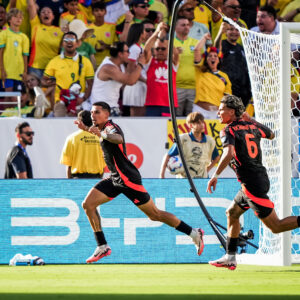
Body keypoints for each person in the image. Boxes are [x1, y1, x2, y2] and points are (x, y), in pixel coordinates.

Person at [75, 101, 204, 263]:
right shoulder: (101, 129)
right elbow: (103, 135)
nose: (93, 115)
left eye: (97, 112)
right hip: (116, 179)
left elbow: (118, 138)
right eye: (92, 112)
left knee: (155, 215)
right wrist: (88, 129)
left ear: (107, 114)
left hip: (128, 179)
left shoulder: (110, 127)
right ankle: (102, 246)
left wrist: (100, 134)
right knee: (88, 204)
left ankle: (194, 233)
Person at [206, 95, 300, 270]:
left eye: (221, 109)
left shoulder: (228, 130)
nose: (218, 112)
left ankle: (230, 256)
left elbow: (229, 154)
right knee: (232, 213)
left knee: (276, 226)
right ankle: (230, 256)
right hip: (256, 178)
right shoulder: (252, 126)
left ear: (231, 112)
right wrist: (252, 121)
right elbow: (271, 135)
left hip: (251, 183)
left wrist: (215, 174)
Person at [42, 31, 94, 117]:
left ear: (77, 44)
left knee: (79, 127)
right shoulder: (54, 61)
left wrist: (83, 98)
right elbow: (43, 79)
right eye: (66, 39)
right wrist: (49, 83)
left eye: (72, 39)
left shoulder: (86, 61)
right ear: (62, 44)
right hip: (60, 101)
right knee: (59, 125)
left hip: (78, 103)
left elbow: (90, 84)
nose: (69, 42)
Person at [90, 41, 145, 116]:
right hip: (102, 110)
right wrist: (140, 64)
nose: (129, 53)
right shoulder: (108, 68)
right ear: (120, 54)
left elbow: (132, 79)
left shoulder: (120, 66)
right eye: (127, 51)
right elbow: (130, 81)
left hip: (111, 108)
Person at [160, 112, 220, 178]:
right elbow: (168, 155)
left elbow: (217, 157)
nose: (202, 125)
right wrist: (162, 175)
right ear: (191, 125)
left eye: (202, 122)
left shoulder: (209, 141)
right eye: (198, 123)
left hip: (203, 179)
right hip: (184, 179)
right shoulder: (182, 139)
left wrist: (207, 169)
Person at [144, 22, 179, 116]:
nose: (160, 51)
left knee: (168, 130)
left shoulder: (172, 63)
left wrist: (167, 36)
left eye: (163, 49)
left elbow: (176, 54)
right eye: (157, 48)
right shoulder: (149, 62)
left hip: (170, 104)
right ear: (154, 50)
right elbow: (146, 50)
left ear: (167, 49)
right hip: (152, 103)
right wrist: (157, 32)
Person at [193, 33, 232, 119]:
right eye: (209, 56)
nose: (212, 58)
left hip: (217, 114)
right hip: (200, 111)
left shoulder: (224, 76)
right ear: (206, 60)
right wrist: (204, 38)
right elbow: (196, 50)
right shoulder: (200, 71)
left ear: (218, 60)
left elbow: (227, 97)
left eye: (215, 56)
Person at [214, 23, 252, 107]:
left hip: (242, 91)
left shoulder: (241, 48)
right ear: (226, 32)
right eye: (231, 29)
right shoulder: (223, 45)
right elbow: (215, 50)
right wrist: (220, 32)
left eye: (237, 30)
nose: (234, 32)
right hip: (228, 89)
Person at [60, 110, 106, 179]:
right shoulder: (100, 138)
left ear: (79, 122)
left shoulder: (72, 138)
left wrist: (69, 182)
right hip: (96, 178)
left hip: (77, 179)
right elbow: (103, 163)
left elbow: (68, 164)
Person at [27, 0, 64, 79]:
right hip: (35, 67)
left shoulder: (60, 31)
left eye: (48, 12)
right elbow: (31, 5)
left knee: (50, 91)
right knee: (35, 91)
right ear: (39, 16)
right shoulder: (36, 26)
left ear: (53, 16)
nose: (46, 13)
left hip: (52, 68)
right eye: (43, 12)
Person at [0, 8, 29, 107]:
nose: (19, 19)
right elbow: (1, 52)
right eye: (16, 17)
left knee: (18, 97)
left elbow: (25, 56)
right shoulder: (4, 34)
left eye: (21, 17)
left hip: (19, 72)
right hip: (7, 71)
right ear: (9, 19)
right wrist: (2, 70)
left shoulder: (24, 37)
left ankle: (14, 115)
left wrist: (25, 71)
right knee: (8, 95)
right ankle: (5, 116)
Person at [174, 16, 198, 117]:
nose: (186, 27)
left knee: (192, 119)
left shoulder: (196, 43)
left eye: (188, 25)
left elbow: (200, 62)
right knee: (177, 117)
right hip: (176, 86)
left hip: (194, 86)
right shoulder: (170, 43)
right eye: (183, 25)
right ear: (175, 28)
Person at [122, 23, 147, 116]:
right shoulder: (134, 49)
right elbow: (130, 69)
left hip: (139, 84)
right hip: (136, 86)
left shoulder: (138, 47)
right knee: (137, 117)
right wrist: (145, 80)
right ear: (140, 33)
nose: (146, 33)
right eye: (145, 31)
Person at [85, 1, 118, 68]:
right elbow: (84, 48)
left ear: (105, 12)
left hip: (108, 64)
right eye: (96, 10)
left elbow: (117, 46)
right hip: (91, 65)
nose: (99, 12)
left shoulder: (112, 27)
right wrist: (94, 50)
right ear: (92, 13)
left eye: (101, 10)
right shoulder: (87, 28)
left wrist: (107, 46)